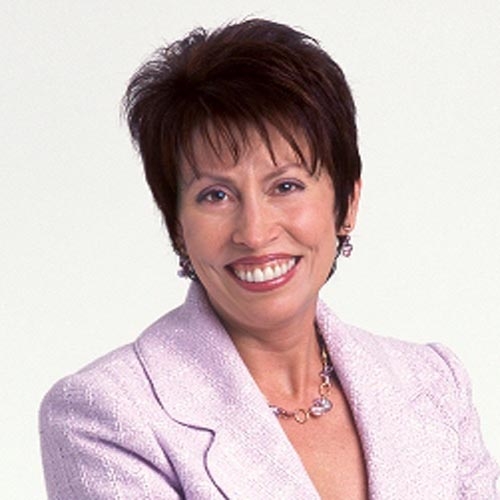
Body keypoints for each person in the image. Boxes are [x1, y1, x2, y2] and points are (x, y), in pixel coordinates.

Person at [39, 19, 498, 499]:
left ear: (347, 203)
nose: (255, 233)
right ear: (177, 225)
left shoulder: (432, 384)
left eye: (286, 186)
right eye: (215, 195)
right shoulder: (105, 416)